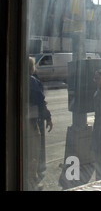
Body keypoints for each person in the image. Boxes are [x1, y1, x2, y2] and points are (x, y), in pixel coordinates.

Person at [28, 57, 53, 190]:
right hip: (30, 123)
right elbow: (40, 102)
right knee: (33, 151)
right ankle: (32, 181)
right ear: (32, 67)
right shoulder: (32, 81)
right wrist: (48, 118)